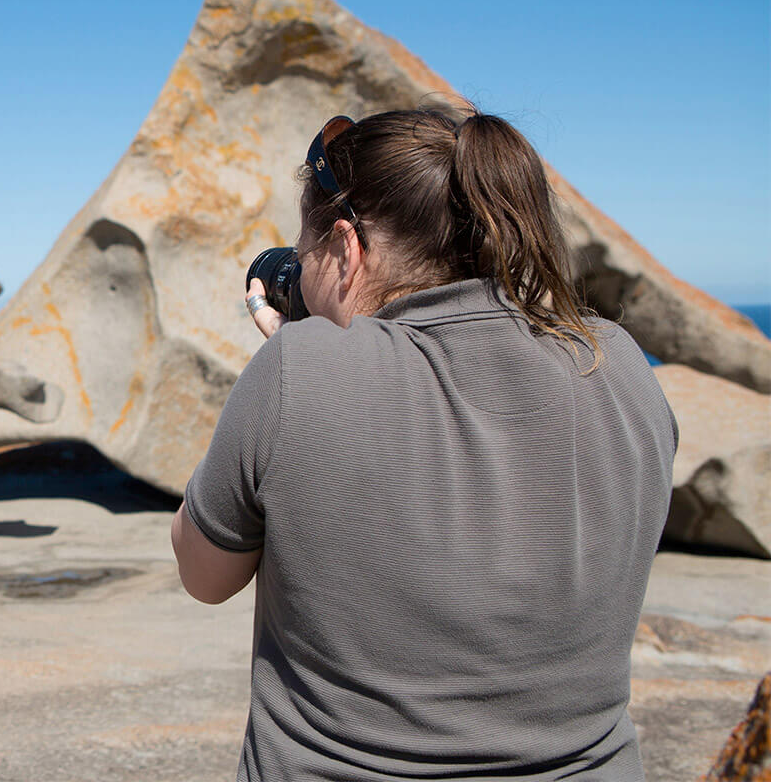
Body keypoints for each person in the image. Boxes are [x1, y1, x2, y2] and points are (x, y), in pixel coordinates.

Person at [171, 105, 676, 780]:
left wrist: (299, 374)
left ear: (347, 247)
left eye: (307, 249)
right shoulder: (616, 361)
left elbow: (204, 576)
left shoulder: (298, 366)